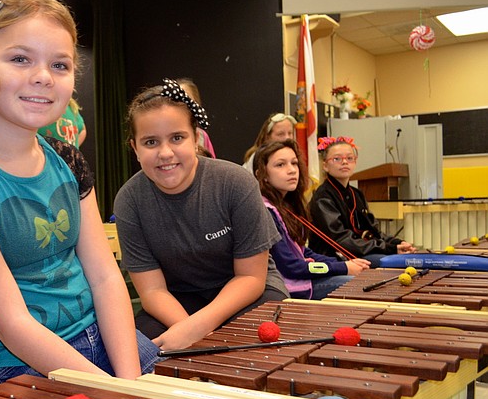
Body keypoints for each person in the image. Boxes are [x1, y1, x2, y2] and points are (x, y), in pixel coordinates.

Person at [0, 0, 158, 386]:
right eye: (20, 59)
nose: (43, 76)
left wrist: (130, 381)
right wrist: (113, 391)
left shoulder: (68, 158)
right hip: (20, 362)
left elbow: (105, 277)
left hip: (105, 340)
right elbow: (12, 324)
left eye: (60, 65)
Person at [114, 79, 288, 351]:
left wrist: (200, 328)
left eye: (177, 138)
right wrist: (188, 329)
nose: (165, 153)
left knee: (255, 341)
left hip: (248, 294)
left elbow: (251, 278)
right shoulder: (129, 201)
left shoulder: (235, 183)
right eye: (150, 142)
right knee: (139, 346)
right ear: (135, 148)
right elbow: (152, 292)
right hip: (178, 301)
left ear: (196, 138)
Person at [253, 139, 370, 298]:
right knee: (360, 285)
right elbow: (291, 267)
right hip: (289, 288)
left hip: (302, 278)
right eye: (280, 165)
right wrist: (342, 267)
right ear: (262, 174)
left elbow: (303, 251)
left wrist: (342, 264)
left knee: (366, 279)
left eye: (294, 163)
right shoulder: (266, 211)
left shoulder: (287, 206)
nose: (292, 170)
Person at [309, 136, 417, 267]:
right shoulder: (323, 197)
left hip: (359, 252)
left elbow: (373, 231)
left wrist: (397, 243)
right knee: (394, 263)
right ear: (325, 165)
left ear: (355, 162)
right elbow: (341, 240)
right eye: (337, 159)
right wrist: (389, 248)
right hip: (334, 258)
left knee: (410, 258)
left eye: (349, 158)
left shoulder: (356, 194)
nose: (344, 162)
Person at [176, 77, 216, 158]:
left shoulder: (202, 136)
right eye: (176, 99)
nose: (182, 104)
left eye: (186, 99)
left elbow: (212, 164)